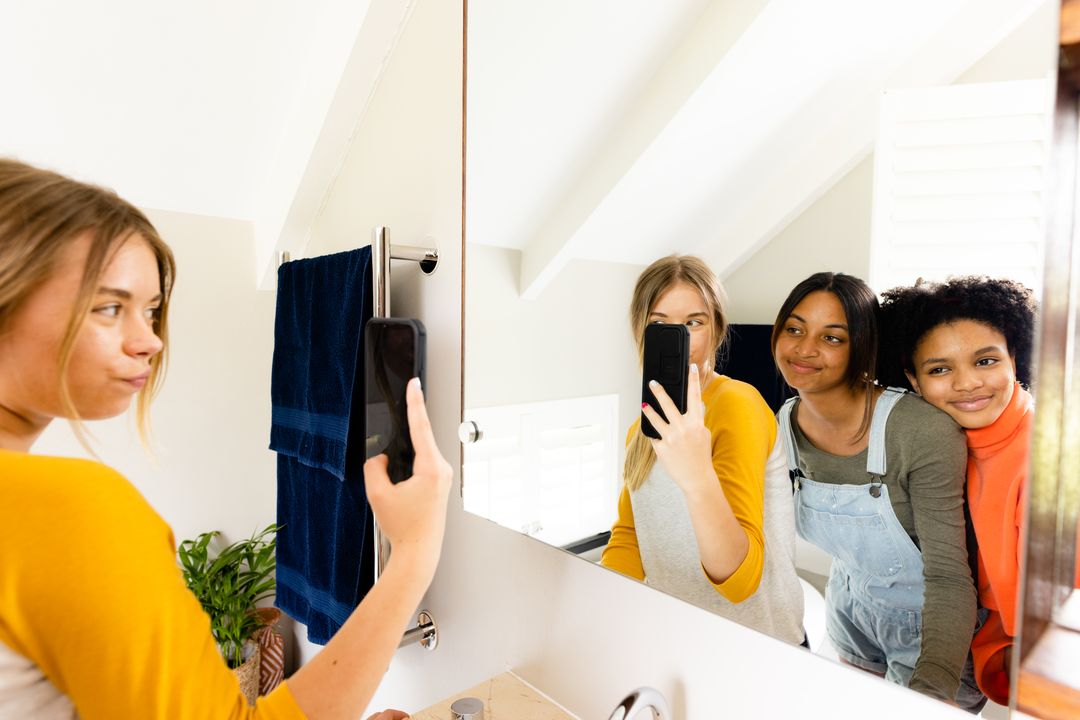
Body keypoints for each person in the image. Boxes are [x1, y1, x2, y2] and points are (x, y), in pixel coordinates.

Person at [0, 157, 452, 719]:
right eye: (111, 307)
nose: (150, 341)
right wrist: (413, 552)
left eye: (153, 311)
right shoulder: (67, 511)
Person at [771, 271, 975, 702]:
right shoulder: (783, 424)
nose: (804, 349)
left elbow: (948, 576)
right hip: (849, 606)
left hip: (931, 629)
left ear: (861, 346)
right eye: (794, 329)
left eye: (832, 338)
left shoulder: (919, 430)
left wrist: (931, 694)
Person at [601, 255, 804, 646]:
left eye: (694, 323)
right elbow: (630, 537)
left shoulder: (737, 405)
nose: (680, 340)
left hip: (758, 650)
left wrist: (696, 477)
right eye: (661, 324)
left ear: (716, 330)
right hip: (680, 642)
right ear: (640, 330)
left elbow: (738, 581)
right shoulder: (642, 429)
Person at [878, 276, 1038, 706]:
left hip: (1029, 651)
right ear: (913, 379)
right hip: (943, 630)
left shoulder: (1051, 457)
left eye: (985, 361)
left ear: (1014, 358)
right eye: (940, 369)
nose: (967, 383)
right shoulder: (927, 438)